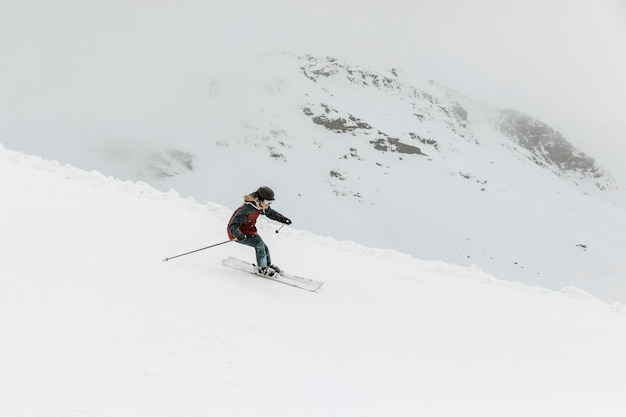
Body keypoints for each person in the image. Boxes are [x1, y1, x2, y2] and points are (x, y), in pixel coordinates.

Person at [227, 186, 292, 277]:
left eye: (271, 202)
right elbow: (233, 225)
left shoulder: (260, 206)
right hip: (237, 233)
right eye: (267, 202)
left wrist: (283, 219)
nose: (268, 204)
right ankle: (262, 268)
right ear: (259, 199)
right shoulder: (247, 208)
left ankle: (267, 265)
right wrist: (238, 234)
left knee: (264, 247)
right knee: (259, 244)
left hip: (249, 230)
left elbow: (271, 213)